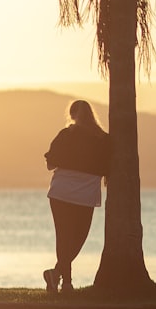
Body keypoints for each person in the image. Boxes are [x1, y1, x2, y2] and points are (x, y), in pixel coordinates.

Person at [43, 100, 110, 294]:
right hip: (85, 192)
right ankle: (64, 282)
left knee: (64, 237)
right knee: (78, 237)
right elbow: (107, 166)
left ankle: (60, 278)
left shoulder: (66, 135)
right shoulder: (103, 139)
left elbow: (50, 163)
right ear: (91, 114)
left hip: (62, 190)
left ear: (72, 115)